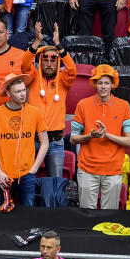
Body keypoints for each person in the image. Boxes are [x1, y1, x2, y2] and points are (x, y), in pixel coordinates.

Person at [71, 64, 130, 209]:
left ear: (113, 85)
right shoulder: (83, 104)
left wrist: (107, 135)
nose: (103, 86)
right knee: (86, 214)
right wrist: (90, 136)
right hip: (87, 169)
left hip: (113, 169)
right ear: (95, 84)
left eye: (107, 83)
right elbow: (73, 138)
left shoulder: (124, 106)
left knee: (109, 217)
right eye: (100, 83)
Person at [0, 74, 48, 211]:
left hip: (27, 173)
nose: (22, 94)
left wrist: (34, 169)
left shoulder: (35, 112)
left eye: (24, 90)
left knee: (27, 213)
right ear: (8, 93)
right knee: (2, 213)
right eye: (18, 91)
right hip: (4, 174)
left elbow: (45, 142)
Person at [21, 22, 76, 178]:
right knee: (27, 180)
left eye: (53, 59)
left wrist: (59, 46)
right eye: (45, 59)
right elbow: (25, 65)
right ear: (41, 61)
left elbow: (72, 69)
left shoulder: (63, 80)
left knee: (55, 183)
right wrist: (37, 42)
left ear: (58, 61)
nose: (49, 62)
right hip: (32, 139)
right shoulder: (32, 77)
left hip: (55, 142)